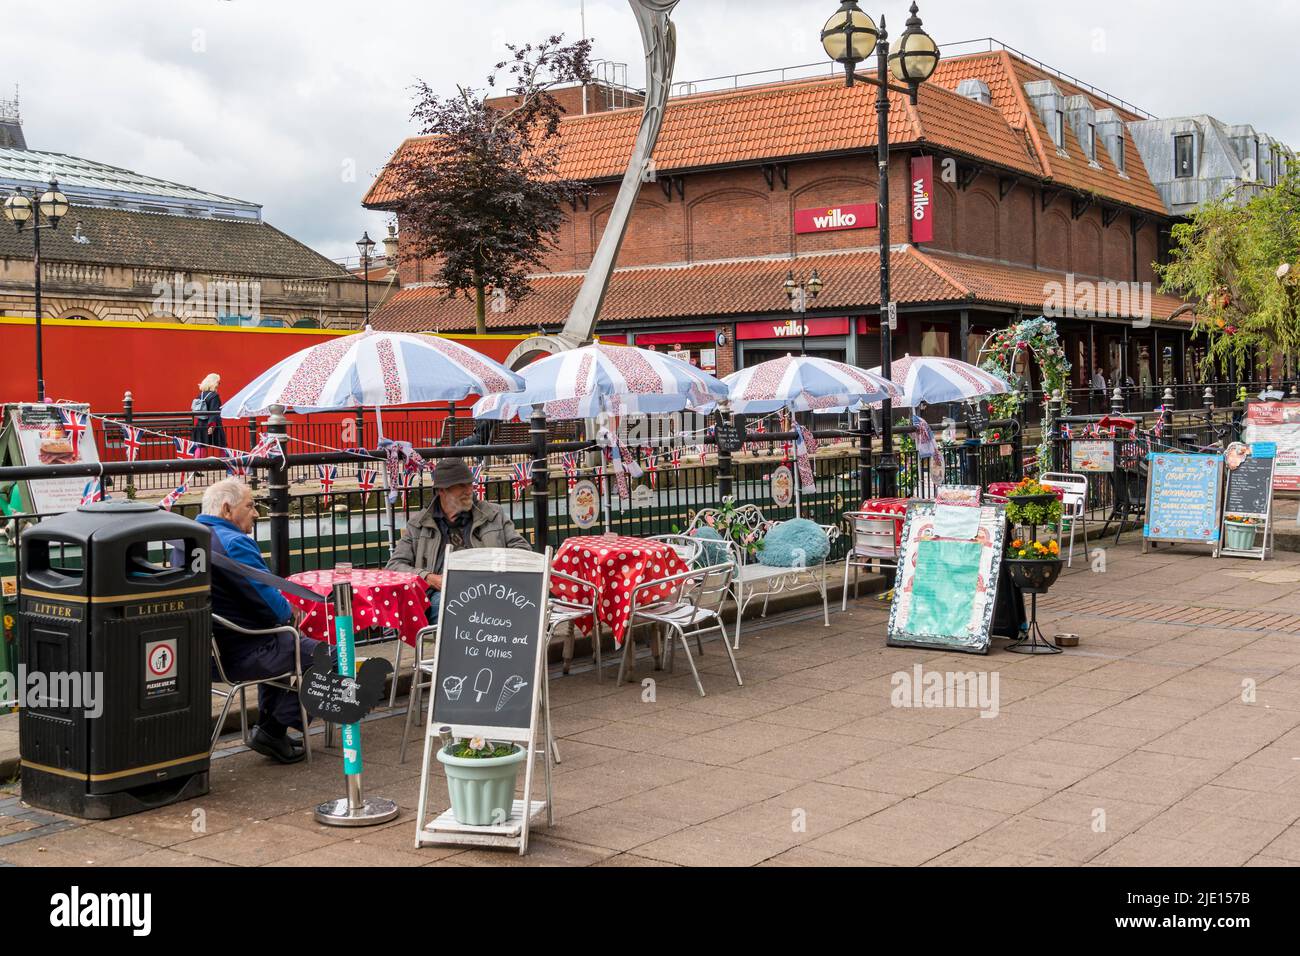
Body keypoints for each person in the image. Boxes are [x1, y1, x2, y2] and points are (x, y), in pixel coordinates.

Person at [199, 477, 318, 764]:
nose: (256, 513)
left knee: (285, 640)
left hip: (212, 654)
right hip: (243, 654)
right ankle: (274, 728)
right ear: (227, 510)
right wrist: (290, 613)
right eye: (251, 506)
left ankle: (270, 731)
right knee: (335, 657)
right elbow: (275, 608)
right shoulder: (234, 543)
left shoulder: (193, 537)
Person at [386, 457, 532, 621]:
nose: (469, 490)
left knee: (534, 605)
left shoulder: (493, 514)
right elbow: (394, 566)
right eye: (461, 486)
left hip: (494, 591)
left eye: (470, 483)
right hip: (444, 594)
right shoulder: (419, 524)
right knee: (451, 606)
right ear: (442, 490)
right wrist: (430, 578)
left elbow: (523, 551)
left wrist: (496, 571)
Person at [192, 373, 226, 451]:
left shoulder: (201, 395)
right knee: (221, 446)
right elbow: (214, 411)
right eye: (218, 382)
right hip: (213, 425)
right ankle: (224, 462)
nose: (218, 384)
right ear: (213, 383)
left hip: (201, 424)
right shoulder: (214, 396)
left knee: (201, 447)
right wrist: (212, 426)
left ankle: (198, 463)